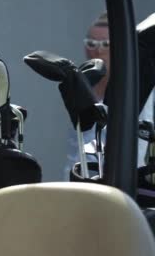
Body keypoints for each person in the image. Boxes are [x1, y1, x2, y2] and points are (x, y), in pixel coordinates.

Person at [64, 12, 154, 178]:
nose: (97, 50)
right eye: (91, 43)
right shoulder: (82, 88)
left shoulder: (140, 91)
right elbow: (75, 154)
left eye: (106, 44)